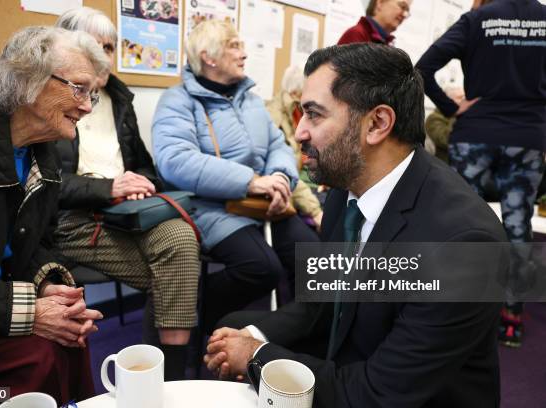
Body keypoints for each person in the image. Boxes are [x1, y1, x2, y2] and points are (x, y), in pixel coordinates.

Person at [203, 43, 508, 407]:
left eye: (314, 115)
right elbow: (323, 301)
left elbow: (375, 394)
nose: (299, 132)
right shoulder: (346, 190)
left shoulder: (465, 246)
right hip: (355, 360)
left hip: (400, 395)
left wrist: (257, 356)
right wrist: (251, 336)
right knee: (233, 323)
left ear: (377, 123)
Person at [0, 26, 108, 405]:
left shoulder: (43, 152)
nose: (87, 106)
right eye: (78, 88)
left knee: (72, 335)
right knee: (40, 354)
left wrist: (49, 290)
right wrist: (28, 310)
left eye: (91, 93)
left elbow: (38, 243)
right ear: (29, 78)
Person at [53, 7, 200, 380]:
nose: (106, 56)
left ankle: (169, 378)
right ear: (65, 48)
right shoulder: (49, 98)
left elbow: (145, 166)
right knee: (173, 274)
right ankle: (158, 379)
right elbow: (43, 183)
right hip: (74, 218)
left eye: (111, 46)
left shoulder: (120, 99)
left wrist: (139, 183)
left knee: (181, 239)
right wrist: (108, 187)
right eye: (95, 46)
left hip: (127, 214)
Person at [152, 20, 319, 333]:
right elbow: (174, 162)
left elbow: (278, 146)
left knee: (312, 259)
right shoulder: (177, 101)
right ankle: (206, 321)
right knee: (260, 268)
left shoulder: (251, 100)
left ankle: (300, 332)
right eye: (234, 46)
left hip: (262, 202)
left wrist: (281, 179)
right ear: (209, 57)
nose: (244, 53)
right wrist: (251, 181)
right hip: (212, 206)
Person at [416, 0, 546, 347]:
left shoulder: (477, 20)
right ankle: (511, 320)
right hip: (527, 138)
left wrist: (449, 106)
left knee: (463, 226)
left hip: (475, 135)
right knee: (518, 227)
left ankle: (456, 312)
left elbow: (423, 67)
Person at [266, 66, 323, 229]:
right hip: (296, 192)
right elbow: (287, 172)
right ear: (296, 93)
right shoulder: (273, 118)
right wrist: (315, 211)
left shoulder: (301, 111)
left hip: (312, 185)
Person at [337, 0, 412, 45]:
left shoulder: (386, 43)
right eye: (402, 7)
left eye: (407, 11)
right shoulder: (356, 34)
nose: (404, 14)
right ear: (380, 3)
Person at [424, 87, 465, 163]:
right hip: (447, 168)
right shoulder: (434, 118)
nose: (464, 101)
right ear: (447, 100)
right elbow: (445, 140)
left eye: (464, 98)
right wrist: (456, 114)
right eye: (460, 98)